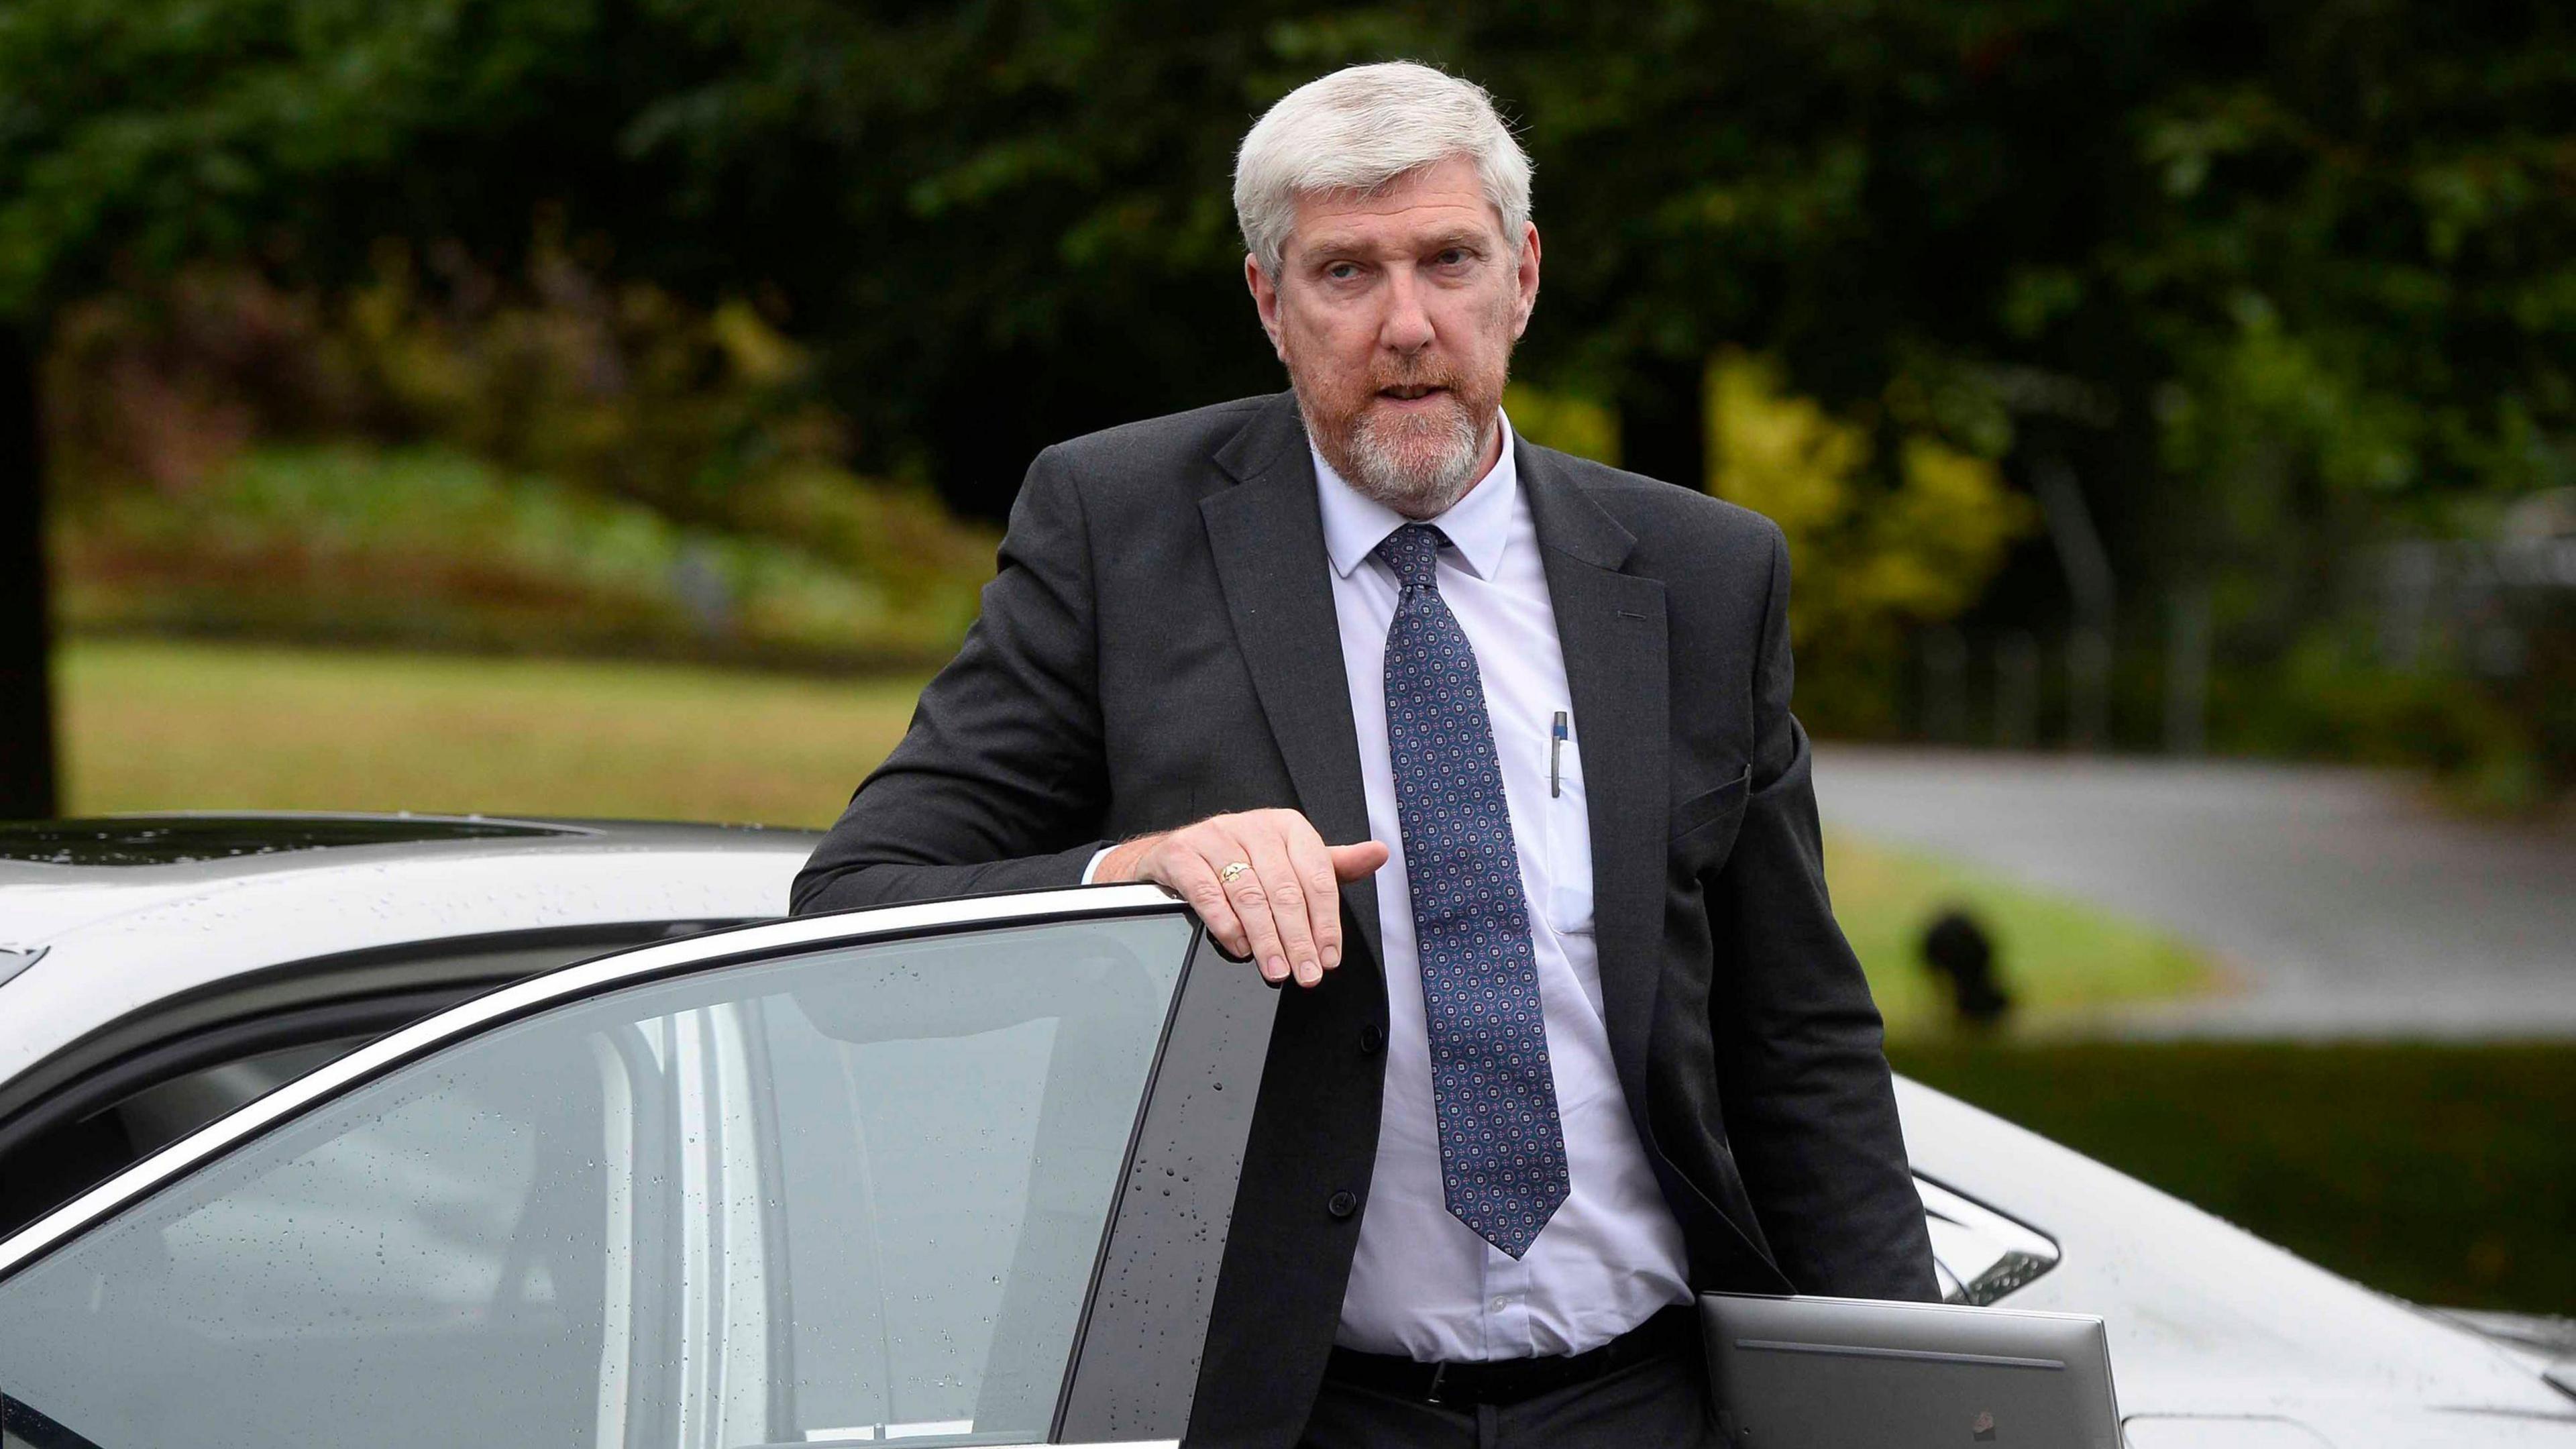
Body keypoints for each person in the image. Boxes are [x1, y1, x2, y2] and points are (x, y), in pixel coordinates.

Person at [794, 59, 1936, 1449]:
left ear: (1521, 275)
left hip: (1645, 1400)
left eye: (1449, 261)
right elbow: (858, 927)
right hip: (1285, 1407)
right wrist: (1136, 876)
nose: (1407, 325)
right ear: (1271, 306)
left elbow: (1797, 1036)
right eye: (1346, 274)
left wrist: (1909, 1392)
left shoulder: (1699, 576)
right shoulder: (1117, 535)